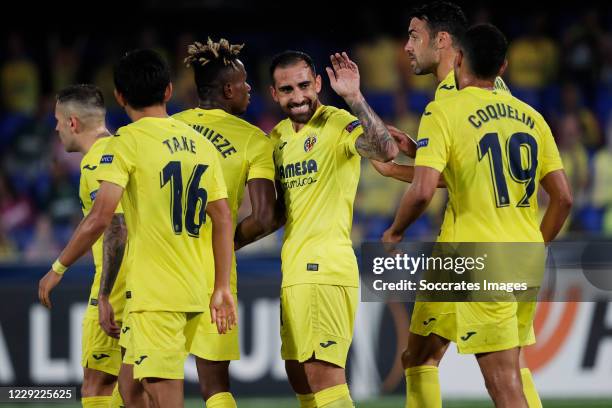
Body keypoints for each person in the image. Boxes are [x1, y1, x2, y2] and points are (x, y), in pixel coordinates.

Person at [382, 24, 572, 407]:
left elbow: (422, 190)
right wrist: (534, 245)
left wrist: (395, 232)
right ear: (503, 67)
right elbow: (563, 198)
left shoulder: (445, 108)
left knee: (503, 382)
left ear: (459, 59)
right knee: (417, 356)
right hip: (501, 258)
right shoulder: (531, 117)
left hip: (480, 259)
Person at [39, 49, 236, 407]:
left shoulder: (124, 143)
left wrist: (58, 269)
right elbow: (222, 216)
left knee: (162, 397)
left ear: (119, 96)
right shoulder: (200, 143)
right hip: (193, 287)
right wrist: (221, 286)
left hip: (154, 295)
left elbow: (103, 217)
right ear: (168, 91)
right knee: (130, 389)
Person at [268, 50, 397, 408]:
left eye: (305, 85)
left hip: (324, 269)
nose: (297, 96)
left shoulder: (338, 122)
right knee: (301, 378)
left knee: (324, 378)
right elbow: (276, 213)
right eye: (287, 89)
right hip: (293, 271)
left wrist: (355, 98)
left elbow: (386, 152)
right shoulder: (277, 138)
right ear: (273, 94)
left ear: (319, 84)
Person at [173, 38, 276, 407]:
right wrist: (226, 242)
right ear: (228, 88)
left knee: (144, 381)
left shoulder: (169, 127)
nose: (250, 88)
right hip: (213, 270)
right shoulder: (254, 140)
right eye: (245, 82)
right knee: (215, 387)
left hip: (159, 265)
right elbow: (264, 218)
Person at [38, 84, 127, 408]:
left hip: (116, 286)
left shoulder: (96, 162)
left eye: (58, 121)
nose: (57, 128)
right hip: (145, 283)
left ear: (73, 123)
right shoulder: (123, 149)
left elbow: (112, 224)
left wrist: (58, 268)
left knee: (96, 386)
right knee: (132, 385)